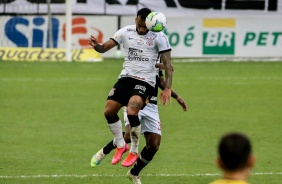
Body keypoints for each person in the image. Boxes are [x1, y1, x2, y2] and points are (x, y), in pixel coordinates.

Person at [88, 8, 173, 165]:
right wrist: (97, 46)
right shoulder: (125, 32)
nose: (141, 29)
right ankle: (121, 145)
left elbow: (168, 64)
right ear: (136, 20)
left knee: (133, 109)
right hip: (126, 77)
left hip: (146, 81)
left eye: (144, 27)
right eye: (139, 25)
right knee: (109, 110)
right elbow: (104, 47)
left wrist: (168, 88)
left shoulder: (159, 36)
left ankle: (133, 150)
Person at [90, 69, 187, 184]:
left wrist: (177, 97)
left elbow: (160, 81)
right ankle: (104, 151)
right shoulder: (141, 54)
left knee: (154, 145)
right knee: (128, 136)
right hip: (133, 100)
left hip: (151, 105)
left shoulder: (159, 54)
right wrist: (165, 65)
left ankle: (134, 173)